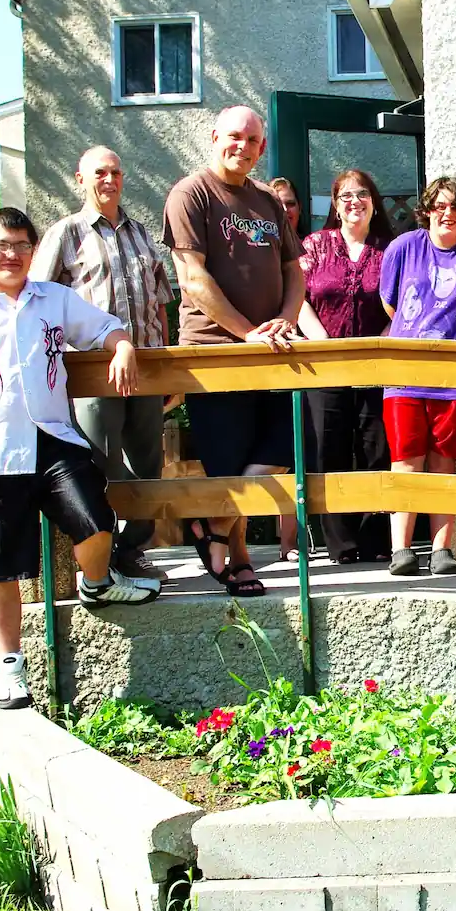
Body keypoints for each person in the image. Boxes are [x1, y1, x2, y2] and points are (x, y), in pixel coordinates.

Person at [0, 208, 157, 711]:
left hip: (53, 440)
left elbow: (107, 327)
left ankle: (97, 584)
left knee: (97, 522)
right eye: (1, 246)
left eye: (21, 246)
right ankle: (10, 668)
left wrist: (122, 348)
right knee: (0, 569)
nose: (12, 255)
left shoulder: (52, 298)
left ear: (34, 252)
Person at [164, 106, 306, 595]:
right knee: (229, 461)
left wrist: (285, 322)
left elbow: (295, 272)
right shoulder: (192, 194)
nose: (242, 147)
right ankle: (239, 561)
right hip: (215, 354)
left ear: (261, 147)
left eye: (252, 140)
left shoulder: (266, 200)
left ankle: (214, 528)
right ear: (214, 137)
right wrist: (247, 332)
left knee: (282, 447)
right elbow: (192, 278)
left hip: (272, 349)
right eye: (234, 137)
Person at [32, 145, 174, 584]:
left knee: (149, 463)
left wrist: (168, 367)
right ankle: (104, 553)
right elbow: (37, 302)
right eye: (99, 173)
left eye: (115, 172)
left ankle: (134, 550)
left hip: (147, 367)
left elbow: (162, 302)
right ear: (80, 179)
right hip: (93, 372)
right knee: (100, 461)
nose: (109, 180)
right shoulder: (65, 234)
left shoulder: (141, 233)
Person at [380, 176, 456, 576]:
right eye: (440, 206)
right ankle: (401, 549)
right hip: (405, 376)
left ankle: (442, 550)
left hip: (454, 379)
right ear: (427, 210)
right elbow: (389, 305)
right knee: (406, 460)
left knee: (445, 462)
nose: (448, 213)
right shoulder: (403, 247)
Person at [297, 169, 396, 563]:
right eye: (345, 196)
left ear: (374, 202)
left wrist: (382, 341)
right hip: (325, 365)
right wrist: (321, 342)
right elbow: (298, 298)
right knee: (328, 449)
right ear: (335, 206)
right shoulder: (315, 245)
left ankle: (376, 539)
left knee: (377, 448)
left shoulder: (390, 249)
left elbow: (404, 303)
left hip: (376, 367)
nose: (355, 201)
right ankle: (341, 544)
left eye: (363, 194)